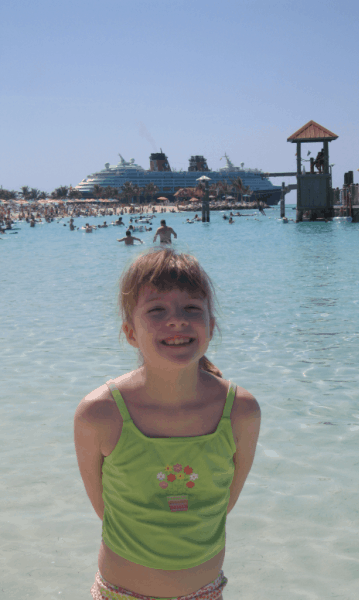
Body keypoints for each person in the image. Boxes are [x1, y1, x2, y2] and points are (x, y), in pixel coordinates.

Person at [74, 248, 261, 600]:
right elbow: (106, 511)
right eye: (157, 310)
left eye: (192, 308)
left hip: (203, 593)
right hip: (121, 593)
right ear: (130, 332)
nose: (177, 320)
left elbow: (223, 503)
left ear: (211, 326)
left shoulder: (240, 411)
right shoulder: (99, 414)